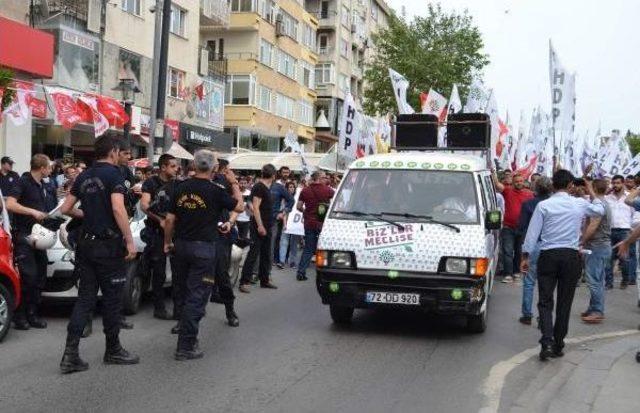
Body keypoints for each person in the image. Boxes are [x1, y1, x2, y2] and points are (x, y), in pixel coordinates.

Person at [58, 136, 139, 374]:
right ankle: (113, 350)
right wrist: (130, 240)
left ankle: (70, 354)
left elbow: (65, 208)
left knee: (85, 299)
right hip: (107, 247)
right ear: (114, 151)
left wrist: (90, 215)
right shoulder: (114, 174)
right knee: (112, 299)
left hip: (85, 245)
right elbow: (117, 208)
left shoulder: (84, 175)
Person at [162, 150, 243, 360]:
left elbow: (170, 220)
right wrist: (234, 183)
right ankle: (186, 345)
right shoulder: (215, 190)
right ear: (214, 168)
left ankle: (187, 334)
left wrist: (168, 242)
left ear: (194, 166)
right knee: (196, 297)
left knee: (184, 292)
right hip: (203, 249)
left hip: (181, 247)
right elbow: (240, 206)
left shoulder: (180, 188)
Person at [521, 170, 604, 361]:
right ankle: (558, 344)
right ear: (570, 186)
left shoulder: (544, 205)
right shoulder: (580, 203)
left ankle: (547, 341)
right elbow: (600, 209)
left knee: (545, 300)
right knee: (564, 303)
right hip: (570, 257)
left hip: (548, 255)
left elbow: (532, 234)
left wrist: (525, 256)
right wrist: (589, 188)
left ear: (552, 186)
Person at [6, 154, 53, 330]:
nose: (50, 170)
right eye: (48, 167)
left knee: (40, 275)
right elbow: (10, 204)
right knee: (28, 276)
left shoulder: (43, 185)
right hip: (24, 234)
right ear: (42, 168)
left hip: (40, 235)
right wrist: (32, 212)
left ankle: (33, 314)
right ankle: (20, 316)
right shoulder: (22, 182)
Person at [140, 154, 179, 320]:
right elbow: (144, 205)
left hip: (176, 232)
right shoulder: (151, 183)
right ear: (163, 167)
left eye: (176, 166)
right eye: (173, 166)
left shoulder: (177, 184)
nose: (176, 169)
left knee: (179, 270)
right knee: (159, 271)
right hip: (156, 233)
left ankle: (180, 307)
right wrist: (160, 220)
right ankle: (159, 307)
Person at [518, 176, 553, 325]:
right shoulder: (554, 205)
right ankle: (543, 316)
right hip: (550, 246)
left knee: (529, 282)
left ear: (536, 188)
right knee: (546, 284)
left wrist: (523, 253)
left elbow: (523, 228)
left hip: (533, 246)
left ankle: (527, 314)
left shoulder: (528, 204)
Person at [239, 164, 279, 293]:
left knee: (266, 254)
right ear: (273, 175)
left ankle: (264, 279)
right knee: (253, 253)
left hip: (267, 224)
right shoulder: (259, 187)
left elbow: (251, 204)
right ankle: (244, 281)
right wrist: (260, 225)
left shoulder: (264, 187)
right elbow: (255, 207)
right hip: (259, 225)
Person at [210, 158, 241, 327]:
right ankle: (185, 317)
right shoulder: (191, 183)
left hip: (221, 235)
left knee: (222, 275)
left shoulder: (223, 182)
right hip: (200, 236)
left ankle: (230, 310)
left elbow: (238, 207)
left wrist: (231, 221)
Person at [580, 179, 611, 324]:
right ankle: (593, 308)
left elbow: (593, 226)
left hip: (597, 246)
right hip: (601, 246)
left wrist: (582, 241)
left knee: (594, 280)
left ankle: (597, 311)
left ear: (594, 188)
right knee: (598, 278)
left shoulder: (599, 205)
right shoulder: (602, 202)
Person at [494, 172, 534, 283]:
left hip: (522, 228)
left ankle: (516, 272)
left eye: (521, 181)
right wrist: (493, 172)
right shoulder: (507, 191)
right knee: (507, 251)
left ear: (524, 182)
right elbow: (497, 184)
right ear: (513, 182)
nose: (519, 183)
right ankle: (508, 274)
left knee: (519, 251)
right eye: (516, 181)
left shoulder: (529, 194)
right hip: (508, 227)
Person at [296, 171, 335, 281]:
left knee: (308, 248)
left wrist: (305, 212)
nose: (326, 179)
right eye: (324, 177)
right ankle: (324, 273)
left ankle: (301, 272)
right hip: (322, 223)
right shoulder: (328, 190)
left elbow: (298, 206)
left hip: (309, 222)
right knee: (324, 248)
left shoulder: (305, 190)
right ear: (319, 178)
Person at [604, 175, 635, 290]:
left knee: (624, 258)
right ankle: (609, 282)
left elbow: (633, 214)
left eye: (618, 183)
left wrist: (630, 228)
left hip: (624, 230)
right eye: (614, 183)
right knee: (608, 258)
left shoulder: (629, 198)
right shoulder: (608, 198)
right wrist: (607, 191)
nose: (615, 185)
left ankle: (625, 280)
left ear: (623, 183)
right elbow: (598, 201)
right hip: (610, 230)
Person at [271, 168, 295, 269]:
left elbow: (291, 200)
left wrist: (285, 211)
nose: (285, 174)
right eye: (284, 172)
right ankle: (273, 258)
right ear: (280, 173)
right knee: (275, 238)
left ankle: (282, 258)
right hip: (276, 215)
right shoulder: (276, 184)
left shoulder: (291, 183)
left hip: (286, 215)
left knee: (284, 238)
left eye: (287, 172)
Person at [278, 181, 302, 269]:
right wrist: (284, 224)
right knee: (284, 242)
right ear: (287, 188)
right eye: (290, 187)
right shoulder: (284, 199)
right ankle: (281, 261)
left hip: (295, 225)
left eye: (293, 187)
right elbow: (285, 212)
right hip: (286, 223)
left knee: (294, 244)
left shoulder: (297, 198)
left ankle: (292, 261)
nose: (291, 189)